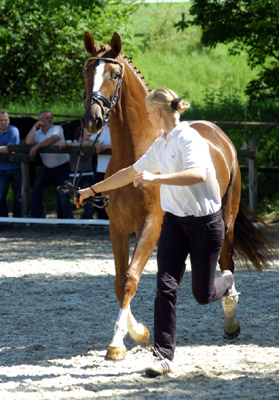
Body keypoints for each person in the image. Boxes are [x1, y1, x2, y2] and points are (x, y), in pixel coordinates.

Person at [74, 88, 238, 377]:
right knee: (165, 287)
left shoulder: (190, 138)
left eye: (149, 113)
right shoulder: (160, 144)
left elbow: (198, 173)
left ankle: (227, 281)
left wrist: (156, 177)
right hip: (174, 223)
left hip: (205, 224)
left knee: (202, 294)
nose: (147, 117)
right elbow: (130, 171)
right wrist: (91, 189)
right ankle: (164, 357)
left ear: (159, 113)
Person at [25, 110, 73, 218]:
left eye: (50, 117)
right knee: (37, 187)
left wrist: (37, 146)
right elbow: (28, 142)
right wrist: (35, 126)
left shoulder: (57, 128)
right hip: (48, 167)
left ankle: (67, 218)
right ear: (40, 120)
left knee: (63, 193)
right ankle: (37, 215)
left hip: (62, 166)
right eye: (47, 118)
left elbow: (52, 139)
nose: (50, 120)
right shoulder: (37, 133)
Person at [56, 129, 95, 219]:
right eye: (87, 134)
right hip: (73, 176)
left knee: (87, 194)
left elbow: (85, 144)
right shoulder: (71, 142)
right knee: (62, 191)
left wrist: (69, 145)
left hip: (87, 175)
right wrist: (64, 143)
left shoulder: (90, 143)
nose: (89, 136)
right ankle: (67, 216)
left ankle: (88, 217)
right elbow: (61, 143)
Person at [0, 111, 22, 217]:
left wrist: (7, 149)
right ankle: (3, 220)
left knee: (18, 196)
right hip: (1, 168)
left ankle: (18, 220)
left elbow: (12, 148)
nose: (4, 122)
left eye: (6, 120)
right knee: (0, 196)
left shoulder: (13, 130)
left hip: (15, 167)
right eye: (1, 120)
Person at [90, 123, 111, 219]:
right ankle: (101, 217)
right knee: (99, 194)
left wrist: (105, 147)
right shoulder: (102, 129)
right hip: (101, 169)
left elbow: (123, 143)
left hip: (115, 169)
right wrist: (96, 145)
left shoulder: (120, 126)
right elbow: (89, 141)